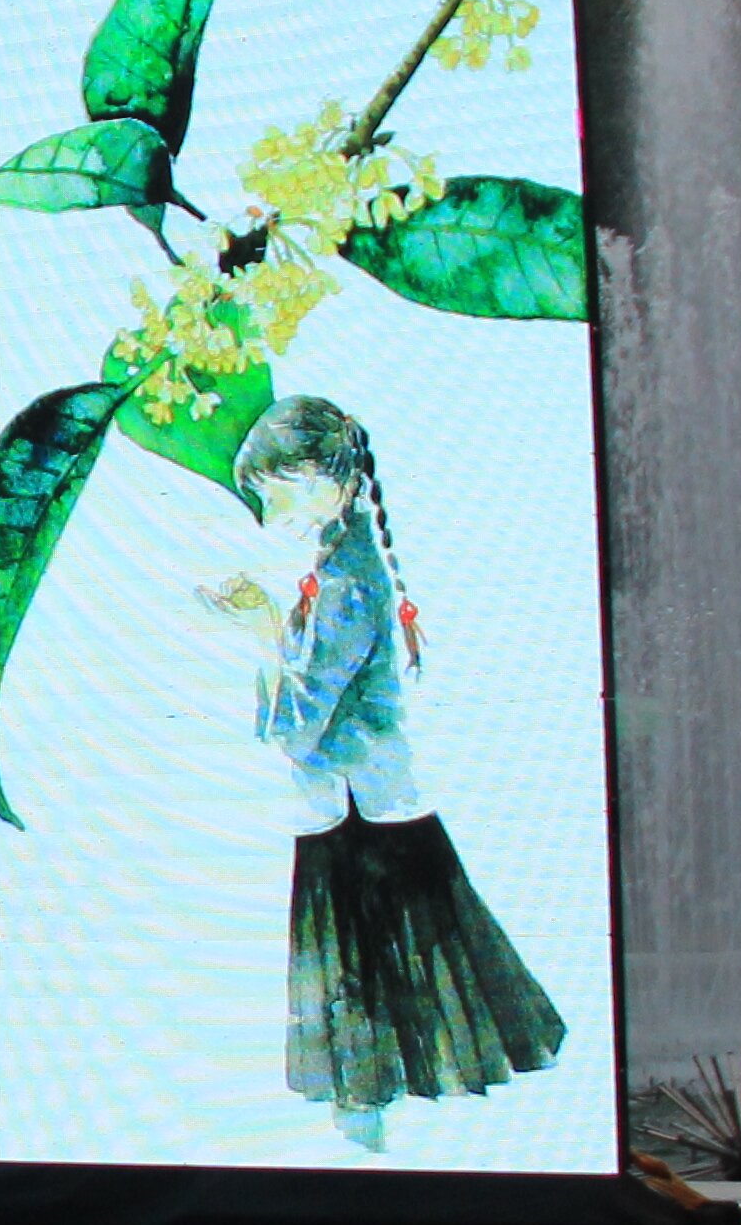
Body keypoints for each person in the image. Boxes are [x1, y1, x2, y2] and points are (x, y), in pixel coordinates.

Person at [218, 396, 565, 1153]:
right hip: (364, 806)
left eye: (276, 482)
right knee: (402, 975)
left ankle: (364, 1133)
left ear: (323, 479)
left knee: (368, 981)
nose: (267, 499)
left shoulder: (345, 579)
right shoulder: (343, 565)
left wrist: (261, 636)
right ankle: (366, 1132)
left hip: (356, 815)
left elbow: (301, 728)